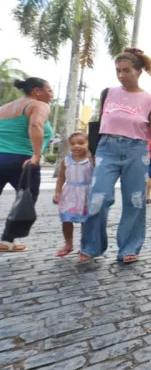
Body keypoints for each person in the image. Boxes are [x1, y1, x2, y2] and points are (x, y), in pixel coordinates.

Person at [80, 48, 151, 264]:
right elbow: (100, 123)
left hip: (136, 151)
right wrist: (91, 149)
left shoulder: (150, 100)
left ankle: (129, 248)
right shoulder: (108, 93)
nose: (121, 75)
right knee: (98, 199)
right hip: (106, 149)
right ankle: (91, 247)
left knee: (135, 200)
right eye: (118, 70)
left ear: (138, 72)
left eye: (126, 70)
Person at [0, 77, 54, 252]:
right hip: (22, 161)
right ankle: (7, 239)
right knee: (26, 199)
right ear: (36, 91)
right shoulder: (38, 105)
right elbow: (36, 124)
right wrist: (37, 154)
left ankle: (8, 240)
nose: (51, 95)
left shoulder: (4, 108)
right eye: (49, 90)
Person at [53, 132, 92, 257]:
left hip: (86, 193)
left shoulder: (91, 159)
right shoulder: (66, 160)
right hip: (69, 193)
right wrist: (57, 192)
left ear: (88, 143)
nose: (76, 146)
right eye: (73, 144)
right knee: (66, 219)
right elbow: (61, 178)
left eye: (81, 143)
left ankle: (85, 244)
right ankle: (68, 244)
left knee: (85, 221)